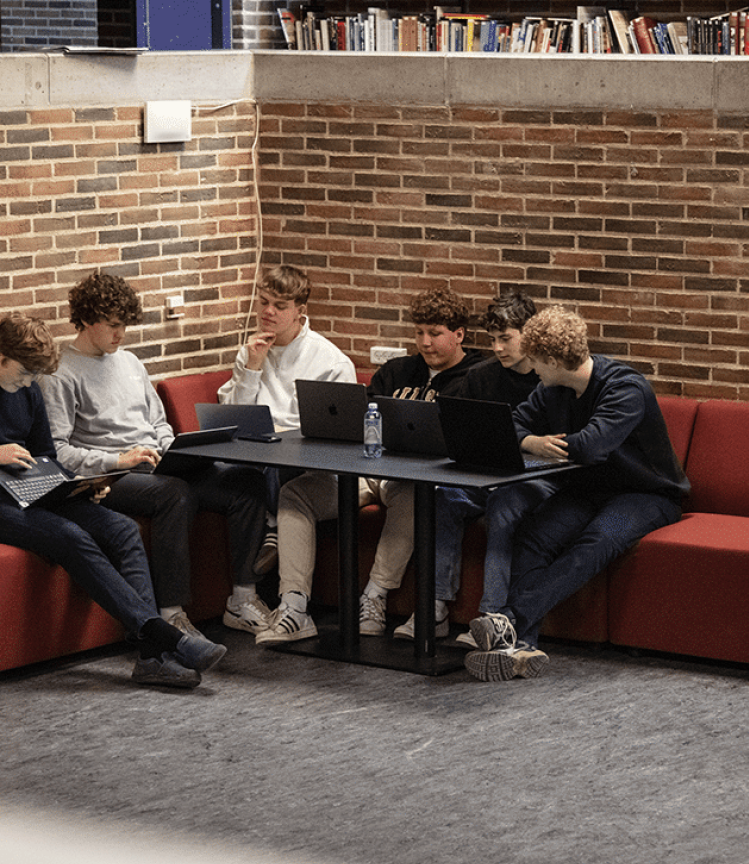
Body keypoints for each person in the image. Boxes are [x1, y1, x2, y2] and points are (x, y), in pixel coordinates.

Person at [463, 305, 691, 682]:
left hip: (647, 495)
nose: (532, 369)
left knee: (596, 541)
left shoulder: (625, 388)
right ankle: (518, 648)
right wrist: (534, 441)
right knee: (535, 537)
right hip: (587, 489)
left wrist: (543, 443)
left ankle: (510, 621)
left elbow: (591, 445)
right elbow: (515, 425)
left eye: (536, 361)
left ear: (553, 360)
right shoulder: (552, 387)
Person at [41, 271, 272, 640]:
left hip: (157, 462)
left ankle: (243, 599)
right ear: (85, 319)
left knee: (245, 482)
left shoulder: (130, 362)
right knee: (174, 493)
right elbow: (59, 452)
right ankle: (172, 614)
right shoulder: (60, 373)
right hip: (110, 477)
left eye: (125, 327)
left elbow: (158, 422)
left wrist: (171, 447)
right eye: (113, 326)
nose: (120, 335)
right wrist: (119, 460)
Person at [0, 313, 227, 689]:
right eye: (23, 373)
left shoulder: (27, 389)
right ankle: (162, 638)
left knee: (121, 529)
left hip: (30, 488)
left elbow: (44, 454)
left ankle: (150, 659)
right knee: (71, 536)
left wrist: (79, 486)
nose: (28, 383)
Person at [256, 286, 483, 645]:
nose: (425, 343)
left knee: (415, 494)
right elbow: (360, 421)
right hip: (368, 469)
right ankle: (294, 606)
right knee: (294, 493)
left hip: (417, 479)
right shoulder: (396, 371)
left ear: (459, 335)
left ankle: (374, 597)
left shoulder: (476, 377)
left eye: (435, 334)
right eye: (419, 333)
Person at [392, 290, 540, 643]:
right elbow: (447, 420)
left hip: (535, 477)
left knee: (504, 506)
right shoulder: (483, 375)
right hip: (484, 473)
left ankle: (492, 617)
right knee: (443, 496)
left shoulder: (549, 377)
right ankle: (436, 606)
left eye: (506, 339)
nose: (499, 348)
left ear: (530, 335)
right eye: (493, 340)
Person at [217, 264, 357, 574]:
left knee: (274, 455)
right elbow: (235, 419)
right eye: (263, 301)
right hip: (256, 453)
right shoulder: (249, 352)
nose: (268, 312)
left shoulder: (330, 362)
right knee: (225, 469)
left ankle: (272, 527)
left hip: (308, 465)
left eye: (279, 306)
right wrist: (252, 368)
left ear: (300, 311)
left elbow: (337, 437)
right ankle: (247, 584)